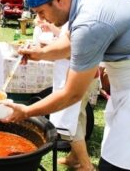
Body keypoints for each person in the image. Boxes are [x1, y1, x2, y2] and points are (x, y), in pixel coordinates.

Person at [4, 0, 130, 171]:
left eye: (41, 12)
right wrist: (41, 53)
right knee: (114, 155)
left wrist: (27, 111)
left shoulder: (90, 21)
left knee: (126, 165)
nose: (41, 19)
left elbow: (72, 94)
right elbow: (71, 43)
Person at [30, 19, 95, 171]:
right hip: (84, 76)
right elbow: (67, 39)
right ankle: (74, 157)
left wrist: (45, 51)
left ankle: (87, 165)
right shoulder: (76, 17)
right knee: (79, 117)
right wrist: (53, 28)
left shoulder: (81, 18)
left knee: (69, 121)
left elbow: (72, 52)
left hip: (79, 78)